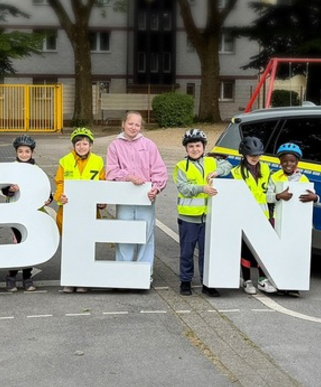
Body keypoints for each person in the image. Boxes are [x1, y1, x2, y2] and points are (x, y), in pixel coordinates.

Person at [106, 111, 167, 283]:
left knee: (146, 235)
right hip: (124, 198)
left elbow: (159, 170)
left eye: (137, 125)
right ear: (123, 124)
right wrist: (128, 177)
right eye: (130, 123)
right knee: (124, 234)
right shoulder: (114, 146)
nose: (133, 127)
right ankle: (122, 275)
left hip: (145, 198)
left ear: (141, 127)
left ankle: (144, 275)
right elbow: (111, 172)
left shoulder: (149, 145)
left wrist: (156, 188)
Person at [173, 128, 231, 297]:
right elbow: (184, 188)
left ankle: (207, 282)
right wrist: (202, 188)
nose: (195, 149)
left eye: (198, 145)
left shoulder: (211, 162)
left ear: (204, 147)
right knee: (187, 252)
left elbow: (227, 165)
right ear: (186, 148)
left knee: (207, 252)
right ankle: (185, 281)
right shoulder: (181, 166)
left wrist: (217, 171)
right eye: (191, 146)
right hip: (189, 218)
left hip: (208, 217)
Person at [54, 127, 105, 293]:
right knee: (70, 247)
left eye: (85, 144)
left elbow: (102, 183)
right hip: (69, 211)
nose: (81, 147)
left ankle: (83, 280)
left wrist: (102, 201)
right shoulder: (65, 161)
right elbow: (60, 182)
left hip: (89, 211)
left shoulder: (98, 161)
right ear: (73, 146)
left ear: (91, 145)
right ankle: (70, 280)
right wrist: (60, 196)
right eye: (78, 144)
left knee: (85, 247)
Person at [264, 142, 319, 297]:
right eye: (285, 161)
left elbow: (313, 195)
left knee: (295, 253)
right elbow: (267, 196)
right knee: (280, 253)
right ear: (280, 162)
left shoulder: (303, 179)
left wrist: (315, 198)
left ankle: (293, 285)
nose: (288, 164)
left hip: (297, 223)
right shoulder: (274, 177)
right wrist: (278, 196)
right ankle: (280, 283)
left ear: (297, 162)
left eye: (292, 161)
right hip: (280, 221)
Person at [0, 135, 53, 292]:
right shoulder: (11, 168)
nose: (24, 154)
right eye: (20, 151)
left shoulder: (37, 170)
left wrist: (48, 199)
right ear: (16, 152)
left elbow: (46, 191)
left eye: (27, 151)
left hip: (32, 214)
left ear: (32, 152)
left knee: (30, 244)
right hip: (15, 213)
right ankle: (11, 277)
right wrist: (10, 189)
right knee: (18, 243)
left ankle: (27, 278)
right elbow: (4, 190)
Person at [232, 136, 269, 296]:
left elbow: (271, 188)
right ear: (244, 154)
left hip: (262, 217)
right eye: (251, 155)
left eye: (258, 155)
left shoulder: (266, 169)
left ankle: (262, 279)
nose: (255, 158)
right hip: (244, 216)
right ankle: (247, 280)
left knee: (262, 249)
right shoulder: (236, 172)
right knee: (246, 251)